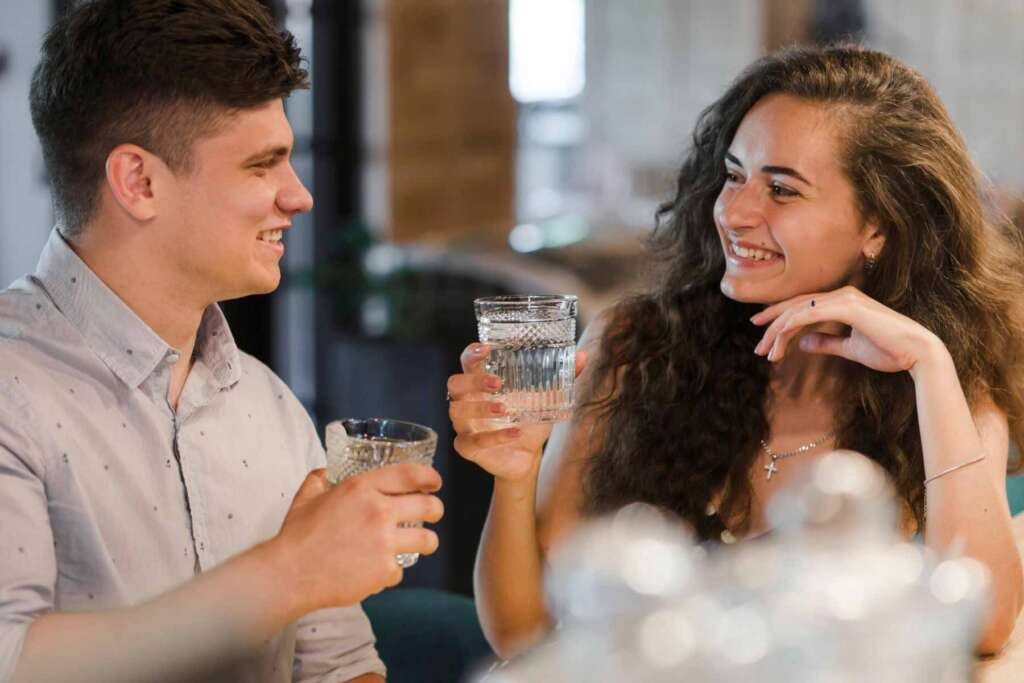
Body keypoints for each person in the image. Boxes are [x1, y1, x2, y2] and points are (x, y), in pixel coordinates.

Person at [448, 44, 1024, 659]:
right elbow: (524, 637)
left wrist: (929, 366)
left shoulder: (944, 389)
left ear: (877, 228)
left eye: (781, 190)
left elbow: (983, 627)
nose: (734, 211)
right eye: (733, 175)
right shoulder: (633, 347)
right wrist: (514, 476)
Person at [0, 1, 443, 681]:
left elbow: (340, 663)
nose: (299, 196)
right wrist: (287, 572)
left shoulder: (270, 408)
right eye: (263, 165)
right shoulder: (11, 390)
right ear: (139, 181)